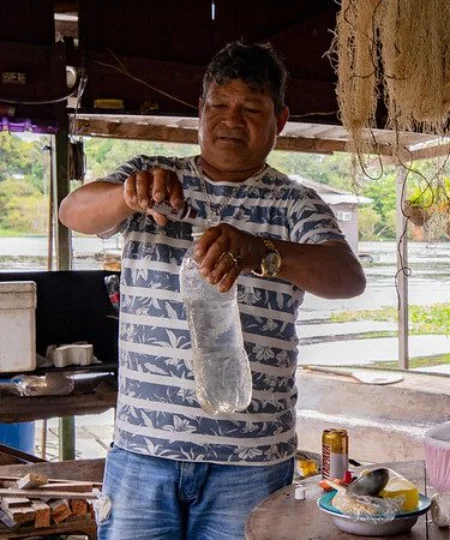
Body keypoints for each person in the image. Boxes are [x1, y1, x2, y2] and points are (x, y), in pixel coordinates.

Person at [59, 42, 366, 539]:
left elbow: (348, 278)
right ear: (199, 111)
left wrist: (262, 251)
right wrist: (127, 195)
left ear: (280, 120)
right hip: (144, 451)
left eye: (251, 109)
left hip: (251, 461)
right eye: (218, 105)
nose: (230, 120)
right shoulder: (151, 175)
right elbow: (72, 213)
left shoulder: (294, 203)